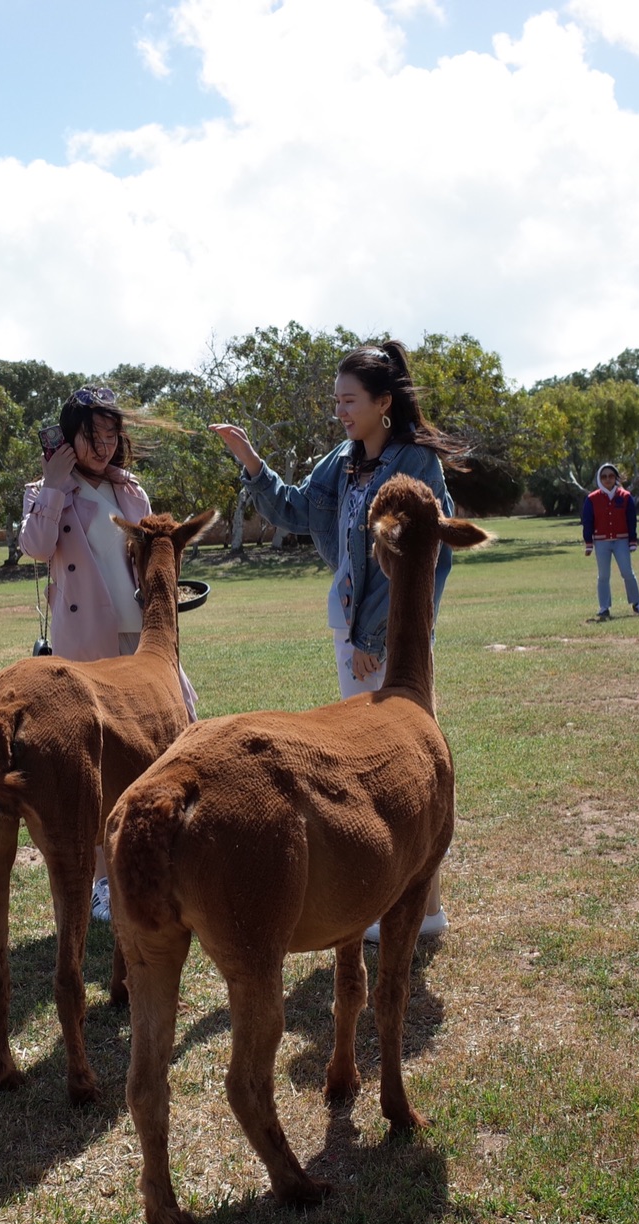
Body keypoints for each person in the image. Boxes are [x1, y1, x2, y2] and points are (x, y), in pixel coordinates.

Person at [209, 340, 458, 941]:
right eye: (337, 402)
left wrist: (377, 633)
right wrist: (251, 462)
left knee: (403, 767)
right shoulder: (341, 462)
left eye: (350, 400)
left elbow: (427, 553)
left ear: (383, 401)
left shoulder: (417, 464)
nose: (341, 412)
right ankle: (418, 910)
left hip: (389, 636)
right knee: (377, 767)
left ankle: (419, 908)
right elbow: (296, 510)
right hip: (350, 629)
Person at [17, 385, 163, 923]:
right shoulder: (46, 490)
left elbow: (147, 557)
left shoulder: (130, 490)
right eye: (90, 435)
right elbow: (35, 548)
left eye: (110, 435)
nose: (102, 446)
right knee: (98, 761)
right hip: (88, 641)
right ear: (67, 438)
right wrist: (54, 486)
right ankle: (103, 881)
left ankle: (144, 858)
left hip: (138, 635)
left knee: (152, 741)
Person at [581, 463, 639, 619]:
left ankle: (637, 604)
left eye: (611, 476)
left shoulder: (625, 496)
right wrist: (588, 542)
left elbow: (631, 520)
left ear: (616, 478)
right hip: (601, 541)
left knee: (627, 572)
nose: (607, 479)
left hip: (621, 540)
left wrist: (632, 540)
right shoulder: (592, 498)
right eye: (604, 476)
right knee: (603, 575)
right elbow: (588, 520)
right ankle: (604, 607)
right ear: (599, 478)